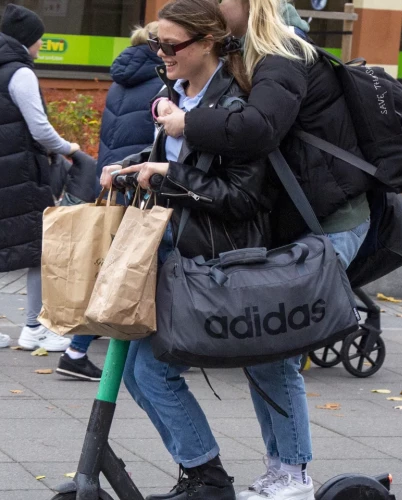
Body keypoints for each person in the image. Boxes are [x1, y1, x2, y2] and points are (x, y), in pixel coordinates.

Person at [153, 0, 374, 497]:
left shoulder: (284, 52)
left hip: (328, 223)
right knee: (266, 351)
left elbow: (256, 131)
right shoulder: (247, 53)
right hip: (293, 222)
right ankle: (283, 471)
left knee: (273, 350)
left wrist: (184, 124)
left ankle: (292, 475)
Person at [99, 0, 270, 498]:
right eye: (158, 42)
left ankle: (208, 476)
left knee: (152, 372)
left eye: (172, 45)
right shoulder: (175, 92)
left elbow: (242, 198)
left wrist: (169, 177)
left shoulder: (231, 108)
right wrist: (132, 164)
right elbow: (170, 159)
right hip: (164, 252)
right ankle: (200, 474)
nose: (162, 53)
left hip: (201, 261)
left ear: (208, 43)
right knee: (134, 372)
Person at [54, 22, 165, 382]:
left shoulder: (121, 79)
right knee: (130, 268)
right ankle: (78, 350)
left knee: (116, 265)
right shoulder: (161, 83)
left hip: (114, 178)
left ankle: (78, 349)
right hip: (141, 181)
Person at [0, 4, 74, 352]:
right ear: (27, 40)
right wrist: (68, 147)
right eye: (39, 40)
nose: (41, 46)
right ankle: (34, 328)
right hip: (23, 173)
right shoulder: (21, 73)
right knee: (39, 250)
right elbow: (39, 128)